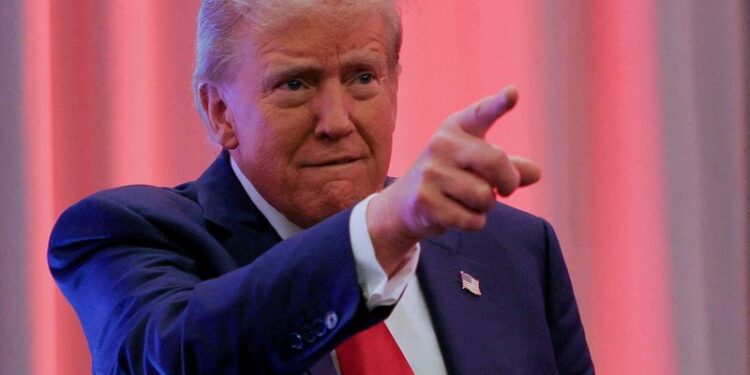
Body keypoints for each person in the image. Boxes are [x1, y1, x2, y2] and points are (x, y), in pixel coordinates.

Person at [49, 0, 594, 374]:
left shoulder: (512, 250)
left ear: (395, 84)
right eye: (295, 83)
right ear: (220, 112)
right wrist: (379, 232)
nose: (336, 120)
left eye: (362, 77)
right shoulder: (124, 234)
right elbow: (171, 356)